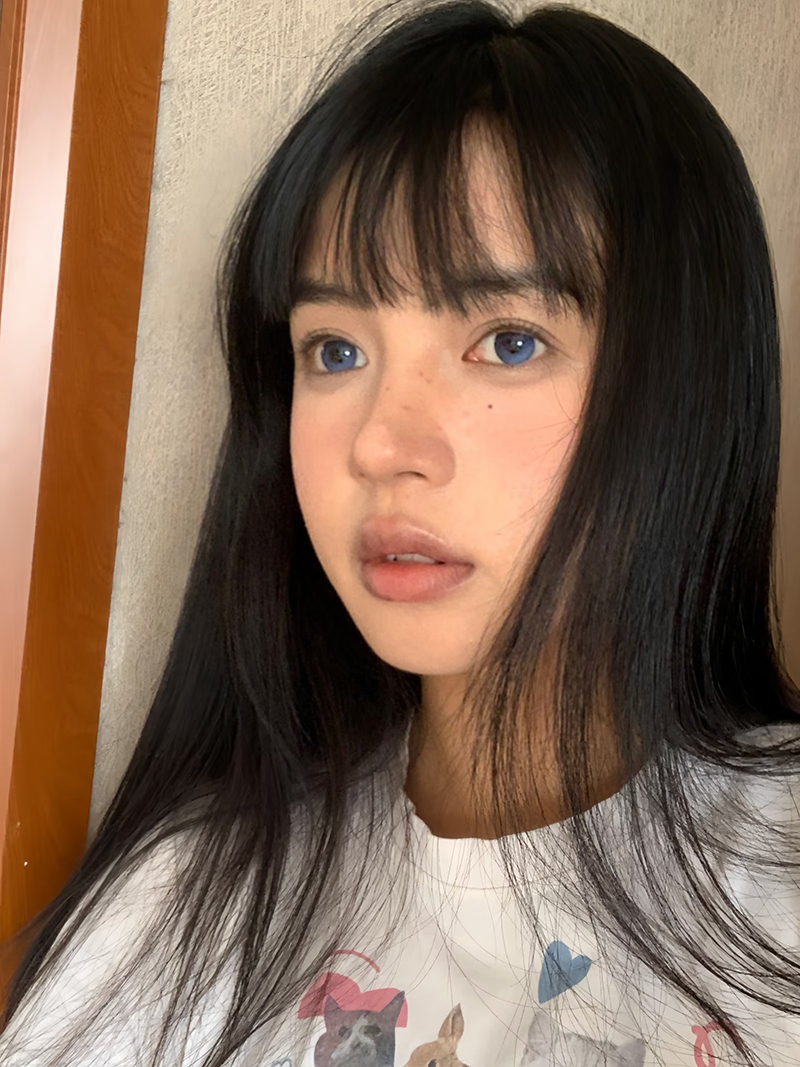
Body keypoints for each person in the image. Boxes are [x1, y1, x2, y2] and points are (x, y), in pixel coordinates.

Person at [1, 1, 799, 1065]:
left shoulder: (776, 880)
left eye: (507, 340)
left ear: (684, 395)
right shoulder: (177, 901)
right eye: (333, 350)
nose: (380, 443)